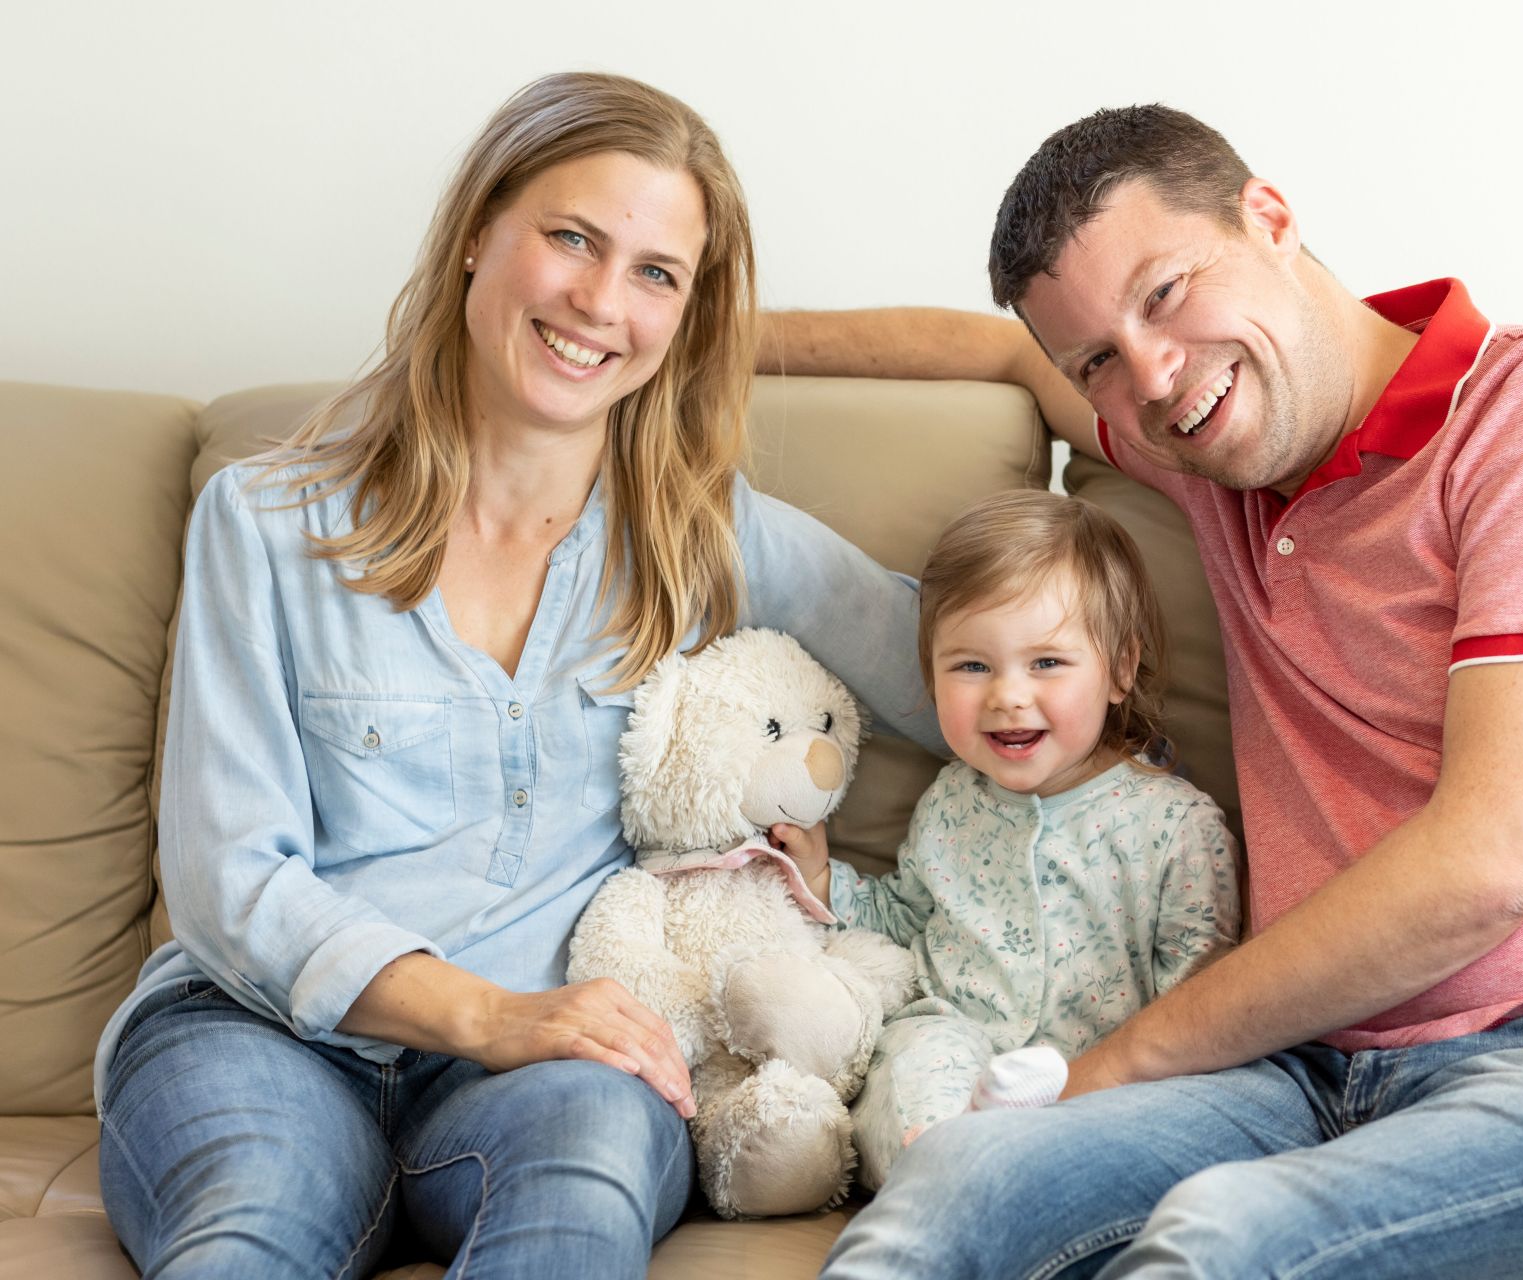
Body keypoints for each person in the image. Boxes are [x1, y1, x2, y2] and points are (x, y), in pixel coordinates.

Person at [769, 105, 1523, 1278]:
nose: (1152, 377)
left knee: (1227, 1244)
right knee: (958, 1181)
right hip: (1314, 1075)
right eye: (1100, 359)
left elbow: (1488, 865)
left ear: (1268, 217)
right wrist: (687, 337)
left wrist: (1106, 1070)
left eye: (1165, 291)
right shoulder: (1213, 458)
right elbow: (1009, 354)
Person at [94, 72, 942, 1279]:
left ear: (690, 318)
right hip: (257, 1033)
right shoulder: (267, 519)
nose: (602, 302)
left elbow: (965, 680)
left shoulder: (706, 534)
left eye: (657, 274)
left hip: (558, 1073)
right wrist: (487, 1014)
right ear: (479, 233)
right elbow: (231, 878)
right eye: (572, 239)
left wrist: (1064, 388)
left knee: (586, 1186)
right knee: (254, 1221)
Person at [773, 490, 1240, 1190]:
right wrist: (821, 877)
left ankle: (1005, 1167)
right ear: (930, 674)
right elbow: (903, 919)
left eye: (1047, 663)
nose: (1008, 695)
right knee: (912, 1063)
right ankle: (952, 1163)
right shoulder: (952, 800)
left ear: (1119, 669)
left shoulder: (1177, 826)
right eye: (972, 666)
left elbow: (1199, 1001)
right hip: (951, 1034)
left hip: (1094, 1073)